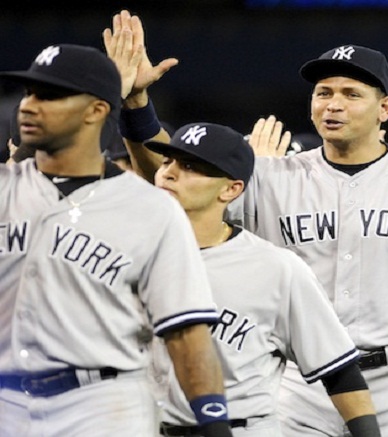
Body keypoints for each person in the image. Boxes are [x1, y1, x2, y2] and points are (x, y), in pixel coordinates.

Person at [109, 11, 388, 436]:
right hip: (300, 382)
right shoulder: (274, 176)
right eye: (323, 92)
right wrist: (137, 105)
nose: (332, 104)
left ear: (385, 108)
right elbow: (173, 181)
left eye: (351, 94)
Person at [0, 44, 232, 437]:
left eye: (51, 96)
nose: (29, 106)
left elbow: (187, 332)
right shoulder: (6, 192)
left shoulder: (151, 209)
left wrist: (214, 425)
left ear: (96, 111)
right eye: (30, 93)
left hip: (103, 404)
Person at [135, 122, 381, 436]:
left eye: (190, 166)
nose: (168, 173)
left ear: (231, 189)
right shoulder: (133, 255)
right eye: (167, 161)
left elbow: (340, 372)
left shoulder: (275, 267)